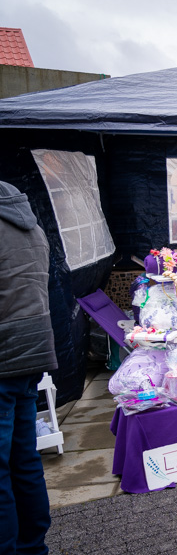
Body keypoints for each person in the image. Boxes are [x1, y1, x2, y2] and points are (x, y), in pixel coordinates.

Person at [0, 180, 57, 555]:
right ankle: (33, 546)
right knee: (23, 458)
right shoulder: (31, 225)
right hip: (33, 349)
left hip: (4, 354)